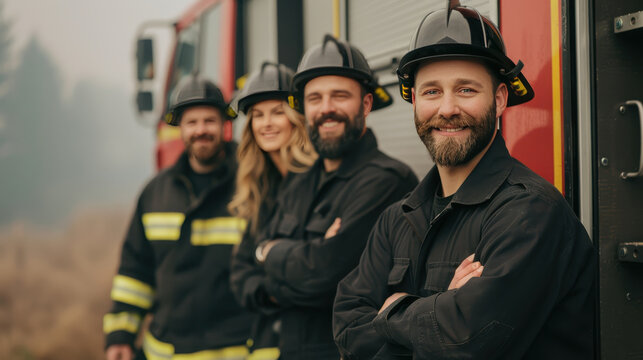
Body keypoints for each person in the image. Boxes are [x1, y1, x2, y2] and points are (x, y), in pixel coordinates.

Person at [333, 4, 596, 359]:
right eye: (431, 92)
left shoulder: (529, 213)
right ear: (413, 103)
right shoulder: (396, 219)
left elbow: (470, 345)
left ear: (500, 99)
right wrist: (438, 309)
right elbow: (348, 329)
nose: (447, 109)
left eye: (466, 90)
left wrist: (392, 309)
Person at [247, 34, 419, 360]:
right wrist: (288, 259)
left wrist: (270, 253)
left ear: (366, 104)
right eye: (314, 98)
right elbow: (246, 268)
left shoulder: (386, 181)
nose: (326, 109)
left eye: (339, 96)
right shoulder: (298, 182)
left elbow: (325, 279)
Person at [103, 76, 253, 360]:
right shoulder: (155, 193)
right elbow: (135, 271)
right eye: (192, 122)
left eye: (209, 121)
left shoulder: (251, 184)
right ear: (180, 128)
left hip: (237, 350)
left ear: (224, 124)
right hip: (166, 351)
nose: (201, 130)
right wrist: (121, 335)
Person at [227, 62, 317, 360]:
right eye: (258, 115)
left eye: (278, 112)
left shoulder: (317, 179)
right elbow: (241, 274)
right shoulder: (258, 189)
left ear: (297, 118)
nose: (267, 123)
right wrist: (271, 291)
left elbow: (314, 266)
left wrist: (265, 263)